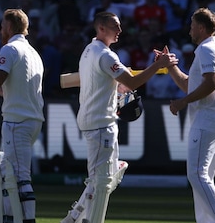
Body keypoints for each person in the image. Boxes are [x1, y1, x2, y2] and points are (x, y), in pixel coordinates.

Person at [60, 11, 178, 223]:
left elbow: (113, 83)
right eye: (115, 27)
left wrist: (120, 86)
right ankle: (82, 219)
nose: (120, 31)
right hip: (100, 122)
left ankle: (73, 217)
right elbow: (132, 83)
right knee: (102, 182)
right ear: (101, 28)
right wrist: (157, 66)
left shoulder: (89, 50)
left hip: (96, 120)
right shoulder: (106, 55)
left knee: (103, 178)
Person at [0, 9, 45, 223]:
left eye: (2, 26)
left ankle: (26, 220)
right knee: (8, 174)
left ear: (10, 27)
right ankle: (10, 218)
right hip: (31, 120)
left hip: (17, 122)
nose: (0, 30)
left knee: (19, 176)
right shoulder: (33, 53)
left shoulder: (9, 49)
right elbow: (7, 90)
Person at [163, 7, 215, 223]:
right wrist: (170, 66)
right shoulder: (210, 48)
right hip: (214, 118)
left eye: (192, 26)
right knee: (204, 177)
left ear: (201, 28)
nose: (189, 31)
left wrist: (182, 103)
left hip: (207, 118)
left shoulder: (206, 50)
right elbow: (189, 84)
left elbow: (211, 83)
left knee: (196, 174)